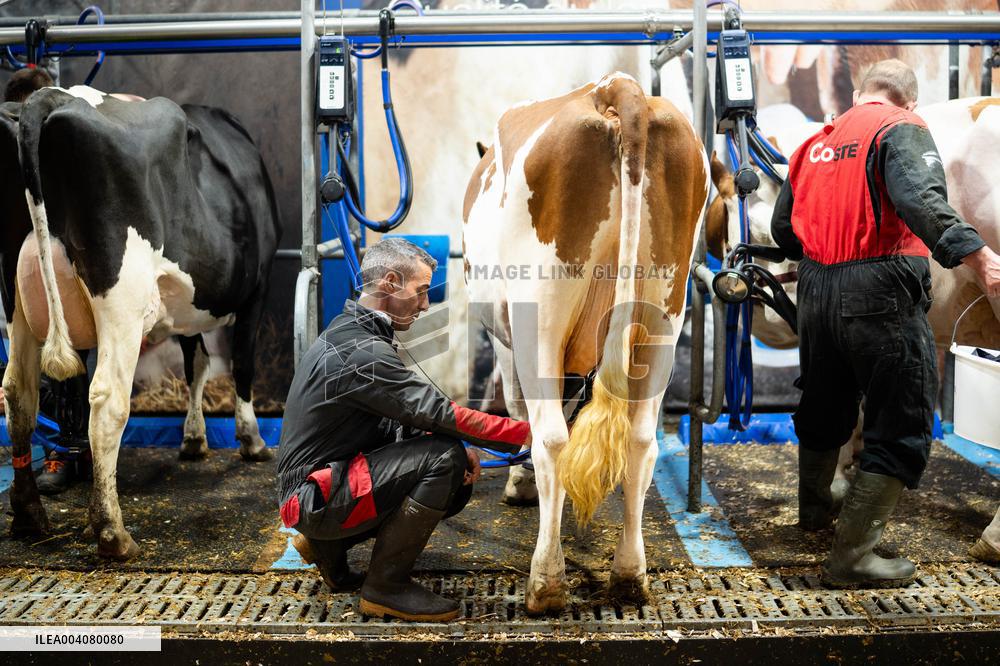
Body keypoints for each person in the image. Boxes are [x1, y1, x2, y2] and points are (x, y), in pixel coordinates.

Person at [770, 59, 1000, 589]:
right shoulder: (902, 128)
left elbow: (785, 228)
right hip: (881, 287)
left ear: (858, 94)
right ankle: (853, 556)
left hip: (818, 289)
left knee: (825, 401)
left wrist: (828, 251)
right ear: (910, 101)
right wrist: (979, 256)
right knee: (903, 415)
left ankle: (815, 510)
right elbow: (921, 201)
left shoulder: (813, 142)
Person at [276, 238, 531, 622]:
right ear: (391, 283)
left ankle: (328, 550)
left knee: (451, 453)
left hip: (313, 487)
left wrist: (462, 443)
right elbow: (439, 413)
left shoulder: (352, 332)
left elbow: (398, 418)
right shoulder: (362, 353)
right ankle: (386, 587)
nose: (426, 305)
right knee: (446, 459)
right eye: (422, 291)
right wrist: (529, 434)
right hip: (314, 499)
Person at [1, 67, 93, 495]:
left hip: (66, 267)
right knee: (40, 370)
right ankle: (61, 450)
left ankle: (81, 449)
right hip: (21, 271)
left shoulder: (65, 143)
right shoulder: (7, 153)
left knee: (76, 365)